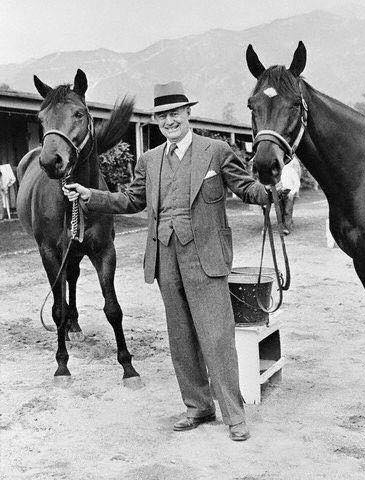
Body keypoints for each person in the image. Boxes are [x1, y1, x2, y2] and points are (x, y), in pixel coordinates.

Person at [63, 81, 273, 441]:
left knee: (217, 338)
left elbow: (245, 187)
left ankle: (234, 415)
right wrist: (89, 195)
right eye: (162, 115)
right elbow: (131, 201)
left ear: (188, 113)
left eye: (175, 113)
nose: (169, 120)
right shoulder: (149, 160)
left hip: (206, 258)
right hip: (165, 260)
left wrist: (268, 191)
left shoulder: (216, 151)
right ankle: (198, 407)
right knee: (181, 338)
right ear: (157, 119)